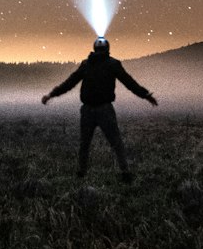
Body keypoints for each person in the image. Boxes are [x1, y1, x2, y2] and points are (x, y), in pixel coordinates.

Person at [42, 36, 157, 181]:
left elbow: (69, 83)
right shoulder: (113, 64)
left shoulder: (86, 64)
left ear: (94, 48)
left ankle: (81, 173)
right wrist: (146, 95)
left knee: (85, 143)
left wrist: (51, 95)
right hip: (104, 109)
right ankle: (125, 172)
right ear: (108, 49)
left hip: (88, 110)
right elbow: (129, 83)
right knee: (115, 141)